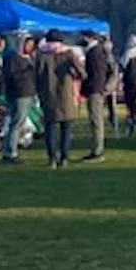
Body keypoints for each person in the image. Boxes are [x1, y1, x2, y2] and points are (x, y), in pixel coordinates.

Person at [35, 30, 82, 169]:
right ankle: (64, 158)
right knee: (66, 128)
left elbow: (36, 75)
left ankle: (52, 159)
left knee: (49, 128)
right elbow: (81, 72)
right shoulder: (68, 54)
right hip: (66, 94)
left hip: (48, 94)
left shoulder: (41, 55)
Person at [0, 35, 37, 164]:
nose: (30, 47)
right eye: (28, 44)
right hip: (19, 93)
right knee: (16, 122)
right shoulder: (13, 58)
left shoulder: (29, 58)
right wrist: (28, 73)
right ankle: (10, 152)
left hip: (27, 92)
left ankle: (10, 149)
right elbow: (12, 76)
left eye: (32, 44)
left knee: (18, 122)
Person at [80, 30, 112, 163]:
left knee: (96, 120)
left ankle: (98, 151)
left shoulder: (95, 53)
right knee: (95, 120)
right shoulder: (97, 51)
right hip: (96, 88)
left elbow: (96, 73)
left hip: (95, 89)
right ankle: (96, 149)